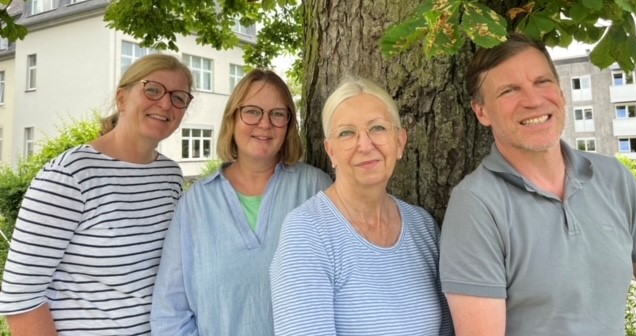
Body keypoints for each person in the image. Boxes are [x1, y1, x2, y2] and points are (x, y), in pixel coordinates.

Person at [439, 33, 636, 335]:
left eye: (542, 82)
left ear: (561, 93)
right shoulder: (476, 205)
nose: (533, 100)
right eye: (509, 90)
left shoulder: (614, 178)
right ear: (482, 112)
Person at [0, 53, 194, 336]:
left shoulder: (170, 176)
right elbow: (21, 300)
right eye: (152, 89)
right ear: (122, 98)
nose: (165, 103)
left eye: (179, 97)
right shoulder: (70, 175)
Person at [150, 68, 331, 335]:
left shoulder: (316, 189)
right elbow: (169, 312)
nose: (265, 123)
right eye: (252, 111)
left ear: (290, 125)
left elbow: (349, 289)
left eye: (278, 114)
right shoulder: (195, 204)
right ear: (232, 118)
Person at [270, 77, 453, 336]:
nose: (365, 145)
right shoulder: (307, 232)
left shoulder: (422, 228)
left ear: (400, 142)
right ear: (331, 151)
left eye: (378, 128)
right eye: (347, 133)